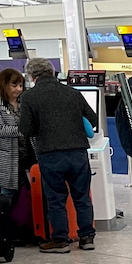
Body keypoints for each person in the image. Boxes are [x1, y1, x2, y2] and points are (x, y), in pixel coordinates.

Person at [18, 58, 97, 253]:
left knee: (56, 199)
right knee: (82, 197)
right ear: (53, 73)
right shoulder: (72, 92)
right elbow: (92, 119)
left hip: (51, 154)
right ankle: (87, 238)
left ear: (32, 76)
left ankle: (60, 240)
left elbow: (25, 129)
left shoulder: (30, 96)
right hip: (78, 152)